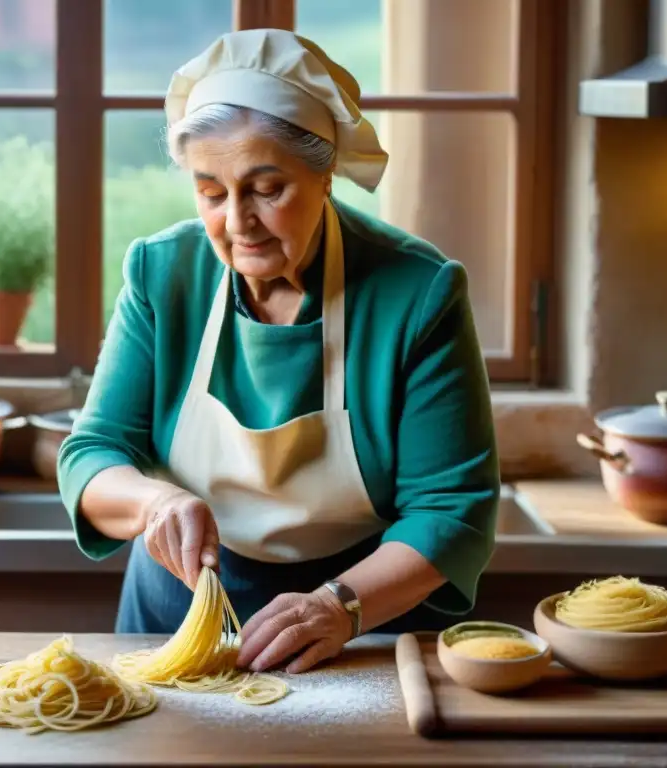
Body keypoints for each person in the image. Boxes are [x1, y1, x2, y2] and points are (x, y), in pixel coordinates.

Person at [57, 29, 500, 675]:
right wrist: (156, 503)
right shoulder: (163, 273)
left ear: (325, 176)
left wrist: (340, 606)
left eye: (267, 189)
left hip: (368, 619)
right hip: (178, 613)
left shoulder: (416, 292)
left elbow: (452, 508)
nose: (238, 221)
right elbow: (92, 451)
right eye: (211, 191)